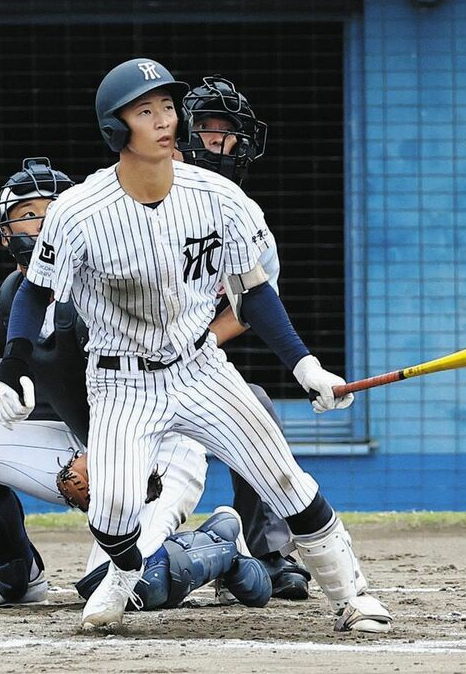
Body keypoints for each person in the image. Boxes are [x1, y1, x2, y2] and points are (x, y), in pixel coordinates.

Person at [0, 58, 392, 633]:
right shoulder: (79, 211)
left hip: (200, 369)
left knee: (286, 481)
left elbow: (253, 294)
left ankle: (352, 597)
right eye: (145, 111)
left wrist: (306, 365)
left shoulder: (220, 198)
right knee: (113, 511)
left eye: (168, 108)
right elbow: (34, 295)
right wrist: (13, 367)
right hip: (120, 382)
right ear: (116, 128)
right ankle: (124, 572)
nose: (164, 120)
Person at [0, 159, 271, 612]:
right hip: (83, 447)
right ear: (4, 231)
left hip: (157, 448)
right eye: (27, 213)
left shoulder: (119, 276)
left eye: (52, 210)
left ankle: (219, 547)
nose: (40, 223)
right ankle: (15, 577)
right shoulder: (11, 300)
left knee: (126, 587)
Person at [177, 75, 311, 600]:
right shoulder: (133, 202)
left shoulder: (241, 216)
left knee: (254, 406)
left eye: (227, 132)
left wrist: (200, 341)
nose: (220, 141)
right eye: (207, 130)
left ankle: (268, 551)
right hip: (117, 374)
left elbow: (251, 304)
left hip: (188, 369)